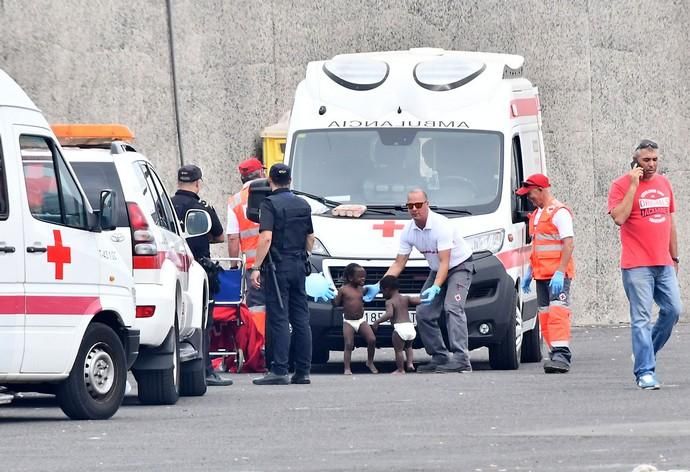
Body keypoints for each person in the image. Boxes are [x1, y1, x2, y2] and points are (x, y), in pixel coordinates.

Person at [363, 189, 474, 373]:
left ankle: (462, 359)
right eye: (410, 206)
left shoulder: (441, 226)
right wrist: (379, 285)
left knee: (452, 308)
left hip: (459, 266)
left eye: (418, 205)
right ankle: (440, 356)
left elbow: (446, 262)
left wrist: (437, 287)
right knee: (424, 312)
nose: (414, 209)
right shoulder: (409, 231)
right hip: (437, 269)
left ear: (427, 204)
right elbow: (399, 263)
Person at [608, 139, 682, 390]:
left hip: (663, 263)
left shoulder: (664, 184)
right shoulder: (620, 185)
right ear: (635, 161)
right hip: (636, 264)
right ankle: (645, 371)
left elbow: (670, 223)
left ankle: (645, 351)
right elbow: (619, 218)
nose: (651, 165)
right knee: (641, 318)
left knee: (673, 310)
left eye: (655, 160)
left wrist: (674, 257)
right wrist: (633, 185)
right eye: (646, 160)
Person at [250, 163, 315, 385]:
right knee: (301, 318)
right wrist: (301, 256)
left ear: (270, 181)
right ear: (290, 181)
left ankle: (279, 369)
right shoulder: (303, 204)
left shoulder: (269, 204)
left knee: (279, 317)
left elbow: (266, 238)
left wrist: (256, 267)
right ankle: (303, 371)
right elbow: (310, 239)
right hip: (299, 264)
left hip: (279, 266)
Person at [171, 164, 232, 387]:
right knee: (203, 321)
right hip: (198, 269)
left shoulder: (165, 204)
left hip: (172, 268)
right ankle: (205, 370)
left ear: (179, 182)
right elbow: (219, 237)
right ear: (198, 183)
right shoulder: (202, 207)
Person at [516, 173, 576, 374]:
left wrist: (560, 272)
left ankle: (561, 355)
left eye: (530, 193)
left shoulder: (559, 212)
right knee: (545, 316)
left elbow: (568, 244)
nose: (529, 198)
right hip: (541, 275)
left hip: (557, 276)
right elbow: (537, 247)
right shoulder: (537, 215)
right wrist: (530, 272)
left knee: (558, 313)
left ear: (541, 189)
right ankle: (554, 353)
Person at [226, 157, 268, 365]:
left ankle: (259, 347)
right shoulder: (273, 195)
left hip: (252, 266)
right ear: (261, 173)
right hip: (277, 263)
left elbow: (233, 237)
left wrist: (234, 266)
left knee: (256, 306)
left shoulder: (235, 201)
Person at [333, 263, 378, 375]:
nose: (363, 279)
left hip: (361, 320)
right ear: (350, 278)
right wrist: (332, 298)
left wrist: (373, 289)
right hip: (348, 321)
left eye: (364, 276)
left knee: (372, 339)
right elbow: (336, 303)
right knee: (349, 344)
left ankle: (370, 362)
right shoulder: (343, 290)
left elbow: (369, 293)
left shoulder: (362, 289)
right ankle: (347, 368)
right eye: (360, 277)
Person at [372, 275, 420, 374]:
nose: (382, 294)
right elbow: (418, 301)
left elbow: (389, 314)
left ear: (387, 289)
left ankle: (400, 369)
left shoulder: (389, 302)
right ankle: (410, 363)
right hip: (410, 327)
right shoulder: (406, 298)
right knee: (408, 347)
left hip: (399, 328)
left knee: (398, 350)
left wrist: (377, 322)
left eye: (382, 291)